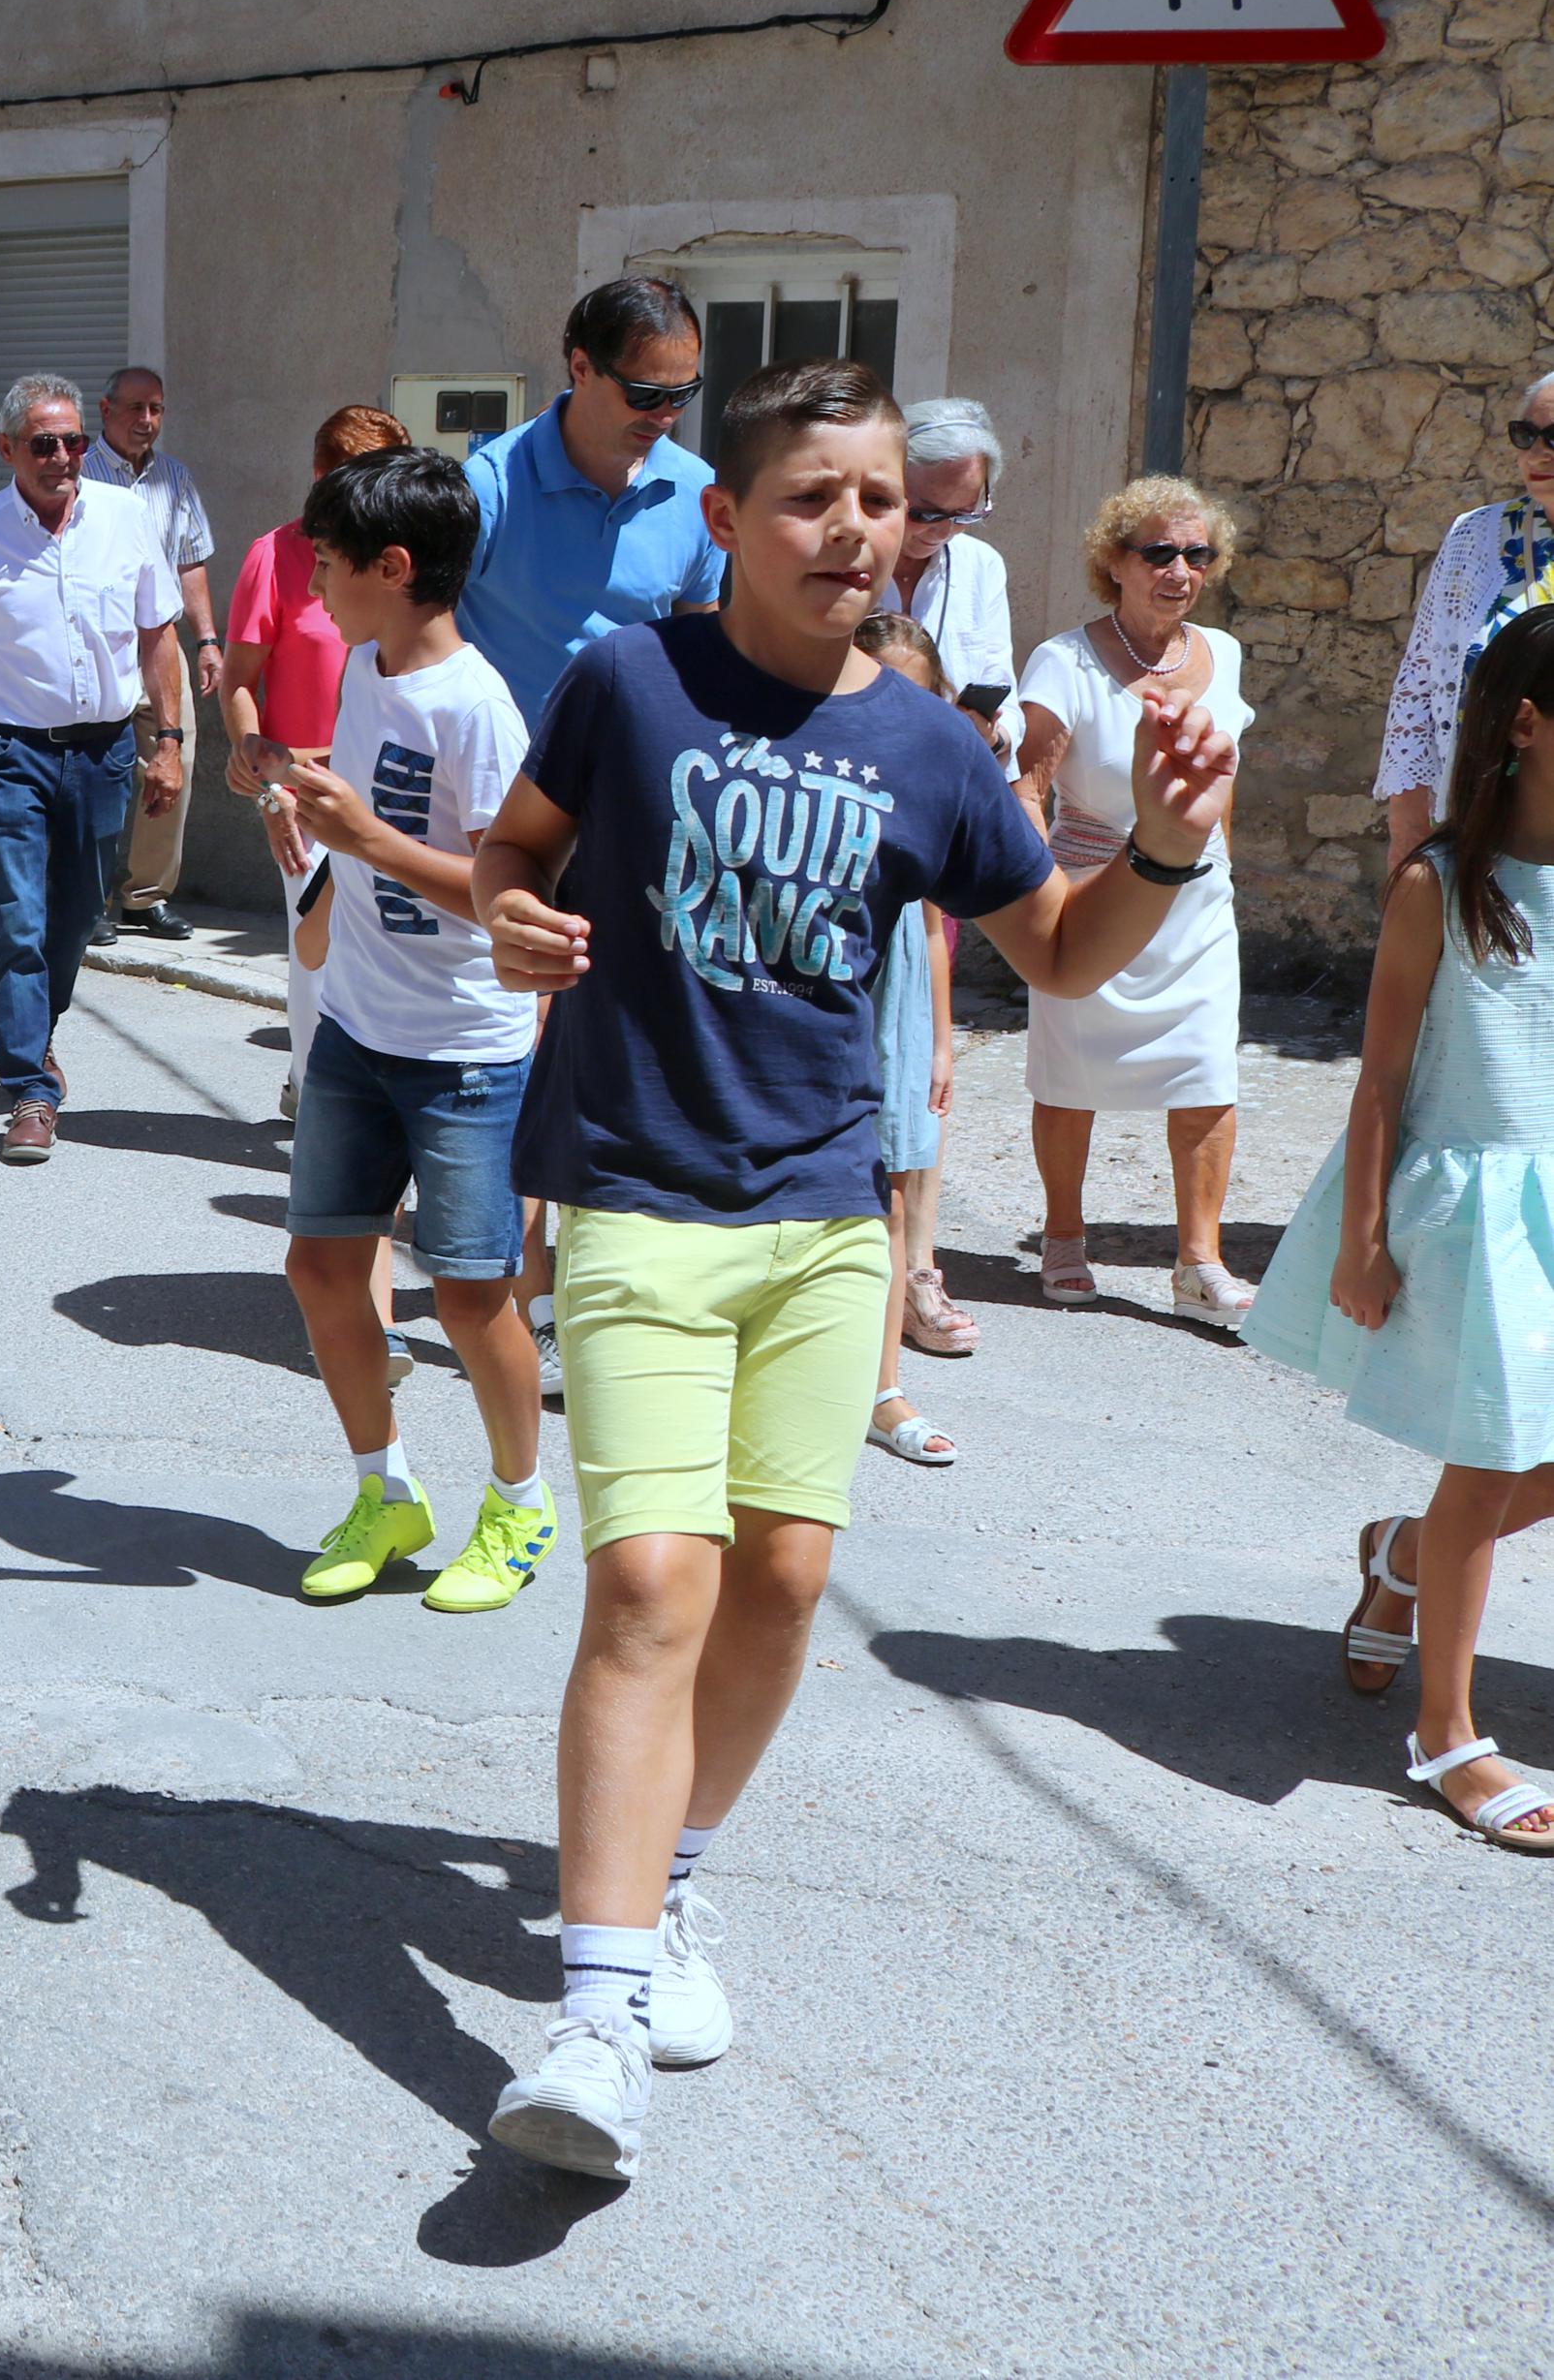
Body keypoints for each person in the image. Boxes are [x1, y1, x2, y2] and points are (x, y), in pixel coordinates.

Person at [466, 359, 1235, 2183]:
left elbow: (1054, 948)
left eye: (879, 501)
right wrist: (507, 916)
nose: (853, 531)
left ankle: (669, 1884)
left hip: (821, 1222)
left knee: (784, 1582)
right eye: (812, 498)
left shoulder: (921, 742)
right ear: (725, 521)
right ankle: (589, 2022)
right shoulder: (626, 682)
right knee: (653, 1581)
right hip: (644, 1196)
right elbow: (515, 851)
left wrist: (1174, 848)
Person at [1252, 603, 1554, 1849]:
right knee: (1485, 1461)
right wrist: (1357, 1236)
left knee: (1509, 1472)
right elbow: (1379, 1075)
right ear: (1526, 726)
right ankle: (1445, 1734)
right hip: (1475, 1206)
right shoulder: (1442, 880)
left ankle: (1398, 1557)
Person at [246, 448, 554, 1616]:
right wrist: (319, 855)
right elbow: (366, 826)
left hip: (466, 1048)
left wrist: (363, 839)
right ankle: (386, 1492)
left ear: (392, 565)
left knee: (473, 1297)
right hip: (357, 1031)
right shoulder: (367, 669)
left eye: (326, 563)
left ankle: (519, 1508)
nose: (310, 583)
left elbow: (504, 886)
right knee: (321, 1267)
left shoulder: (476, 704)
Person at [462, 275, 729, 1392]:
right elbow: (412, 638)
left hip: (627, 819)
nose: (661, 415)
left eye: (682, 394)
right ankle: (512, 1292)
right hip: (500, 821)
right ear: (576, 365)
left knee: (601, 1068)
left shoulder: (696, 491)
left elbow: (708, 652)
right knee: (506, 1061)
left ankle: (565, 1291)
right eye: (641, 391)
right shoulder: (486, 487)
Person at [0, 374, 186, 1167]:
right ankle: (31, 1089)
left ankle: (38, 1028)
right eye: (44, 443)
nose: (64, 456)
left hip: (105, 749)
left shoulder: (126, 517)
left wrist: (168, 740)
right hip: (11, 752)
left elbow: (157, 635)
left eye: (73, 441)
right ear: (7, 449)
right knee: (21, 917)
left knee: (75, 918)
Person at [1015, 477, 1256, 1326]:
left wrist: (1218, 862)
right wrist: (1040, 900)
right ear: (1113, 561)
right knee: (1068, 1073)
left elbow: (1224, 780)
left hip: (1195, 904)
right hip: (1090, 897)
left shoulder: (1220, 654)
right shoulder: (1063, 660)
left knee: (1206, 1072)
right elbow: (1028, 788)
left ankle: (1199, 1261)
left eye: (1198, 553)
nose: (1179, 569)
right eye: (1157, 551)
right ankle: (1063, 1237)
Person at [227, 404, 414, 1111]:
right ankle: (313, 1102)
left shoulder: (402, 562)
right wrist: (270, 790)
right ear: (318, 476)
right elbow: (243, 684)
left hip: (391, 787)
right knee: (316, 954)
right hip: (301, 791)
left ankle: (357, 1104)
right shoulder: (273, 555)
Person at [851, 612, 969, 1470]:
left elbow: (932, 925)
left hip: (895, 1002)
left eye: (914, 692)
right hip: (820, 982)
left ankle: (880, 1387)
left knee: (890, 1190)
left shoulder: (931, 782)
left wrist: (939, 1039)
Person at [1378, 369, 1554, 876]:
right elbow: (1420, 684)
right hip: (1484, 828)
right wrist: (1408, 837)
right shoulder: (1476, 537)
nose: (1538, 453)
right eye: (1526, 435)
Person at [81, 365, 220, 943]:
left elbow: (190, 562)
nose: (147, 421)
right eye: (136, 408)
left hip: (159, 645)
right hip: (98, 646)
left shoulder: (175, 478)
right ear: (106, 410)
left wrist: (208, 639)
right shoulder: (78, 473)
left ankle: (145, 895)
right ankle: (85, 900)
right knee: (92, 776)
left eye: (156, 409)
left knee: (175, 765)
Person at [889, 400, 1023, 758]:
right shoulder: (842, 563)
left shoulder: (981, 565)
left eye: (964, 515)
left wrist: (993, 739)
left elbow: (1005, 699)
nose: (943, 531)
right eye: (924, 513)